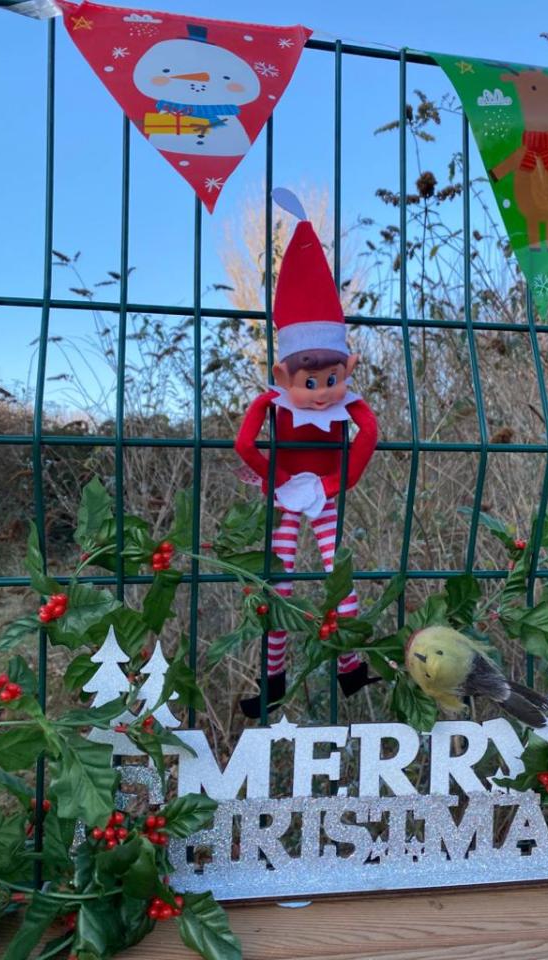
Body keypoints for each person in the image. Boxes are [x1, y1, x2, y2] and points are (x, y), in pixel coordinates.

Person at [234, 190, 378, 718]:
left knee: (341, 579)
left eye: (332, 379)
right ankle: (273, 679)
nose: (321, 394)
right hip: (287, 494)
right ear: (282, 375)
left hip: (323, 492)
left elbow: (369, 432)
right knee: (280, 584)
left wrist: (338, 482)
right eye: (309, 381)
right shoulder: (271, 402)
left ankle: (351, 667)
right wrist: (276, 478)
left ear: (349, 369)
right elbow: (243, 444)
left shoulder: (348, 404)